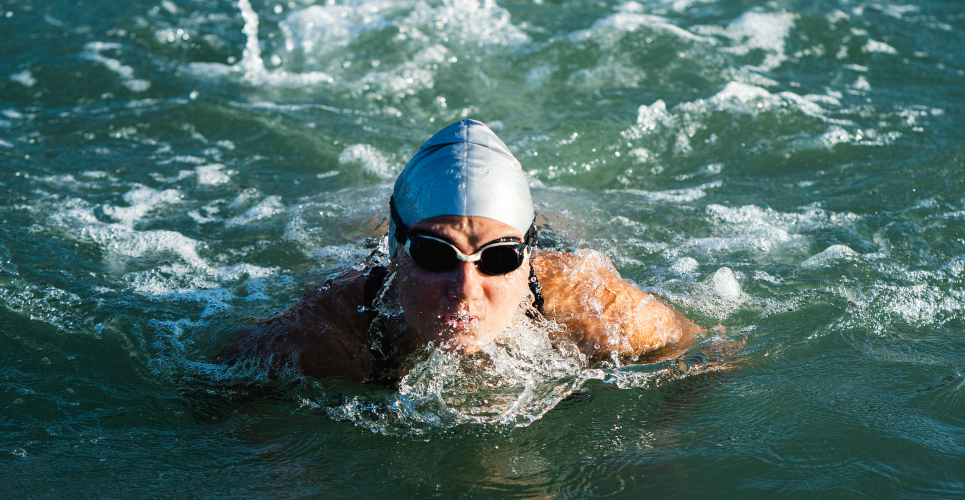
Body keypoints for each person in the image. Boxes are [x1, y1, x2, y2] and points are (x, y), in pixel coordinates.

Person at [219, 119, 703, 383]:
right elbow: (216, 382)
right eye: (434, 255)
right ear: (397, 252)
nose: (465, 288)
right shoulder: (333, 330)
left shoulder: (588, 302)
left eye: (498, 260)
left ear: (527, 259)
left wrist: (658, 448)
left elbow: (707, 352)